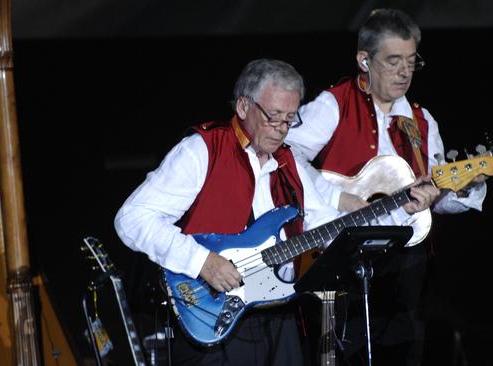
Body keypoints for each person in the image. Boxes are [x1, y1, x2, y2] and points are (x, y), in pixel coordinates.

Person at [285, 8, 487, 365]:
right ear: (364, 59)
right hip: (340, 252)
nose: (404, 72)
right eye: (393, 61)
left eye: (411, 61)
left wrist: (463, 187)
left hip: (405, 264)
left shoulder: (422, 121)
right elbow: (286, 155)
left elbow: (439, 198)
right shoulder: (335, 104)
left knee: (404, 354)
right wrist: (337, 196)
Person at [114, 59, 345, 365]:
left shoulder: (289, 163)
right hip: (215, 318)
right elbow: (132, 218)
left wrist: (390, 215)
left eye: (289, 120)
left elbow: (325, 223)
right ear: (243, 106)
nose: (281, 130)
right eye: (273, 116)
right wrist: (202, 261)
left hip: (282, 317)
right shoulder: (202, 150)